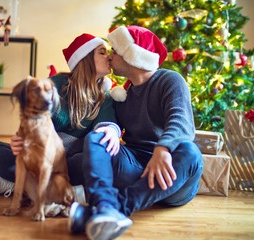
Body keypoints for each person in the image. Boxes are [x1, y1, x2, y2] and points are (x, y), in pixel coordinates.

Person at [69, 25, 204, 240]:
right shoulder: (120, 96)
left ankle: (114, 208)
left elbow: (182, 123)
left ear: (133, 56)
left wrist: (163, 148)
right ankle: (105, 206)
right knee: (98, 137)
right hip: (135, 167)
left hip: (172, 177)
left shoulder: (170, 80)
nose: (110, 56)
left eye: (115, 51)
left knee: (191, 152)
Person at [0, 33, 121, 202]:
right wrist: (22, 139)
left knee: (90, 162)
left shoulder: (104, 96)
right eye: (102, 52)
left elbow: (107, 123)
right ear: (85, 58)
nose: (109, 57)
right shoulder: (55, 84)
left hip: (67, 164)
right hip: (39, 155)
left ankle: (17, 184)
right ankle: (59, 191)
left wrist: (111, 131)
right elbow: (34, 116)